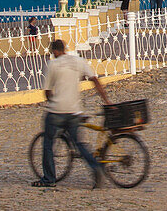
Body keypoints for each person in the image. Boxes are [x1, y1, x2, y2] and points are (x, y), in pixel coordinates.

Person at [32, 39, 111, 189]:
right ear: (65, 49)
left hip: (56, 111)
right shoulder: (78, 61)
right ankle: (96, 167)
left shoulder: (53, 65)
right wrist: (107, 100)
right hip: (74, 111)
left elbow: (47, 92)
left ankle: (49, 178)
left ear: (55, 52)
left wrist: (52, 100)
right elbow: (95, 79)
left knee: (48, 144)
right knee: (80, 145)